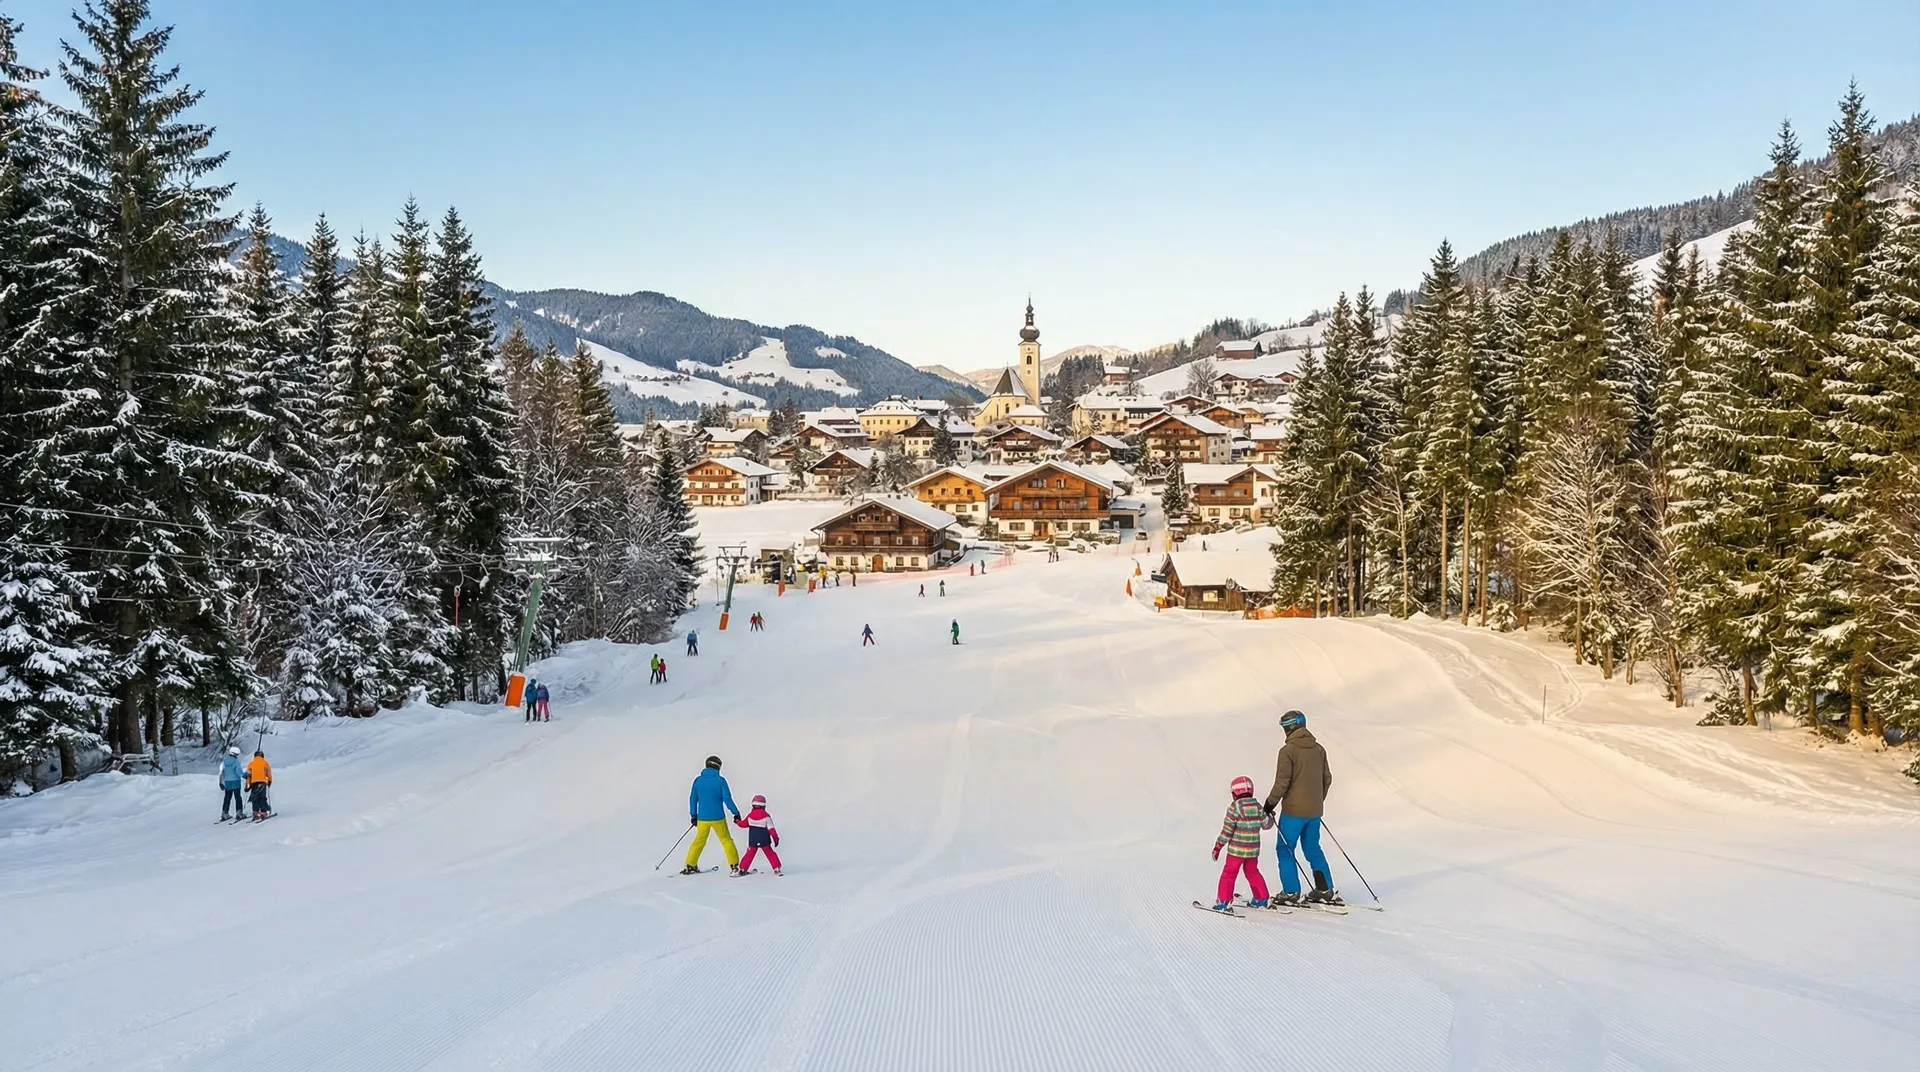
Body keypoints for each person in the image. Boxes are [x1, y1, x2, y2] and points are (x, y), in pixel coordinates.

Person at [1263, 709, 1338, 906]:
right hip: (1314, 811)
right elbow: (1327, 779)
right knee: (1313, 848)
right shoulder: (1319, 749)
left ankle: (1290, 892)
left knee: (1285, 849)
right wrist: (1317, 800)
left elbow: (1282, 783)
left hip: (1293, 812)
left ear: (1289, 727)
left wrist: (1269, 804)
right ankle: (1325, 889)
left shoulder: (1287, 751)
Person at [1210, 775, 1274, 911]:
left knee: (1229, 874)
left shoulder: (1235, 807)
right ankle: (1261, 898)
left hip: (1236, 851)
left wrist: (1218, 846)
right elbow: (1266, 825)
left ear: (1236, 793)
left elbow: (1227, 831)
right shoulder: (1257, 806)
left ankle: (1224, 901)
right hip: (1252, 851)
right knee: (1252, 872)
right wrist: (1270, 817)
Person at [683, 755, 742, 874]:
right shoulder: (720, 781)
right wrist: (735, 812)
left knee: (699, 841)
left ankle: (690, 865)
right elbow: (727, 799)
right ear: (718, 767)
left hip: (702, 818)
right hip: (718, 817)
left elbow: (693, 798)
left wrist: (693, 815)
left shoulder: (698, 781)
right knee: (726, 840)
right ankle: (734, 865)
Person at [732, 793, 783, 876]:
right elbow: (771, 829)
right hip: (764, 839)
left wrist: (737, 821)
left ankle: (742, 869)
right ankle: (776, 868)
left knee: (749, 854)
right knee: (770, 853)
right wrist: (776, 838)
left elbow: (743, 824)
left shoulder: (750, 816)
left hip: (753, 839)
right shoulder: (766, 816)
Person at [218, 746, 245, 821]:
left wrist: (220, 782)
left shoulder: (224, 761)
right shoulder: (236, 762)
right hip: (236, 781)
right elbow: (239, 772)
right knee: (237, 797)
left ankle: (224, 813)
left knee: (227, 797)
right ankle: (239, 812)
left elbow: (221, 772)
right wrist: (245, 776)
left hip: (227, 782)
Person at [245, 749, 273, 821]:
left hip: (254, 783)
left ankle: (255, 812)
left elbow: (248, 775)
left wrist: (248, 784)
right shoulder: (265, 763)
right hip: (262, 782)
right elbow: (269, 773)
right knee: (262, 797)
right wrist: (269, 781)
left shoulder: (251, 763)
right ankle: (263, 812)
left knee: (255, 798)